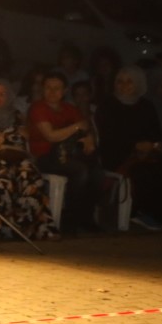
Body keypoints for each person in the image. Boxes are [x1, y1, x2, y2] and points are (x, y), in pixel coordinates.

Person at [0, 78, 58, 241]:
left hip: (15, 158)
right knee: (0, 179)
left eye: (2, 94)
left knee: (31, 176)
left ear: (9, 96)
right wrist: (9, 134)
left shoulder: (16, 115)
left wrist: (2, 136)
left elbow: (22, 137)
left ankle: (34, 227)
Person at [97, 67, 162, 231]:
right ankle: (136, 213)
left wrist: (156, 145)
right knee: (144, 171)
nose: (124, 86)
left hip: (146, 152)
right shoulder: (108, 105)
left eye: (129, 82)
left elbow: (157, 133)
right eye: (120, 82)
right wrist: (135, 145)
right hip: (118, 153)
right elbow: (109, 136)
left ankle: (154, 215)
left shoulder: (146, 106)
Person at [28, 72, 100, 234]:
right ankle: (70, 220)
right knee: (79, 171)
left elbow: (85, 127)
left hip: (69, 154)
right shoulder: (38, 108)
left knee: (96, 171)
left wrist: (88, 139)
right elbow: (51, 135)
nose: (52, 92)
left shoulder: (69, 109)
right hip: (44, 155)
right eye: (48, 88)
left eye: (57, 88)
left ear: (65, 90)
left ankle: (86, 218)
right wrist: (75, 128)